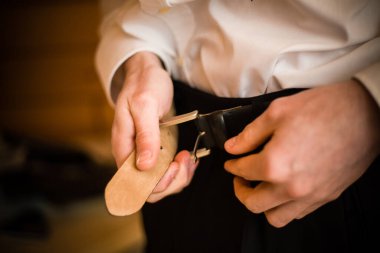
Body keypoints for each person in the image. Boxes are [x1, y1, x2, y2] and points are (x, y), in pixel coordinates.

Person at [95, 0, 380, 252]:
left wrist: (369, 107)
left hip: (339, 161)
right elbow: (124, 7)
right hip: (182, 156)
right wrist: (140, 61)